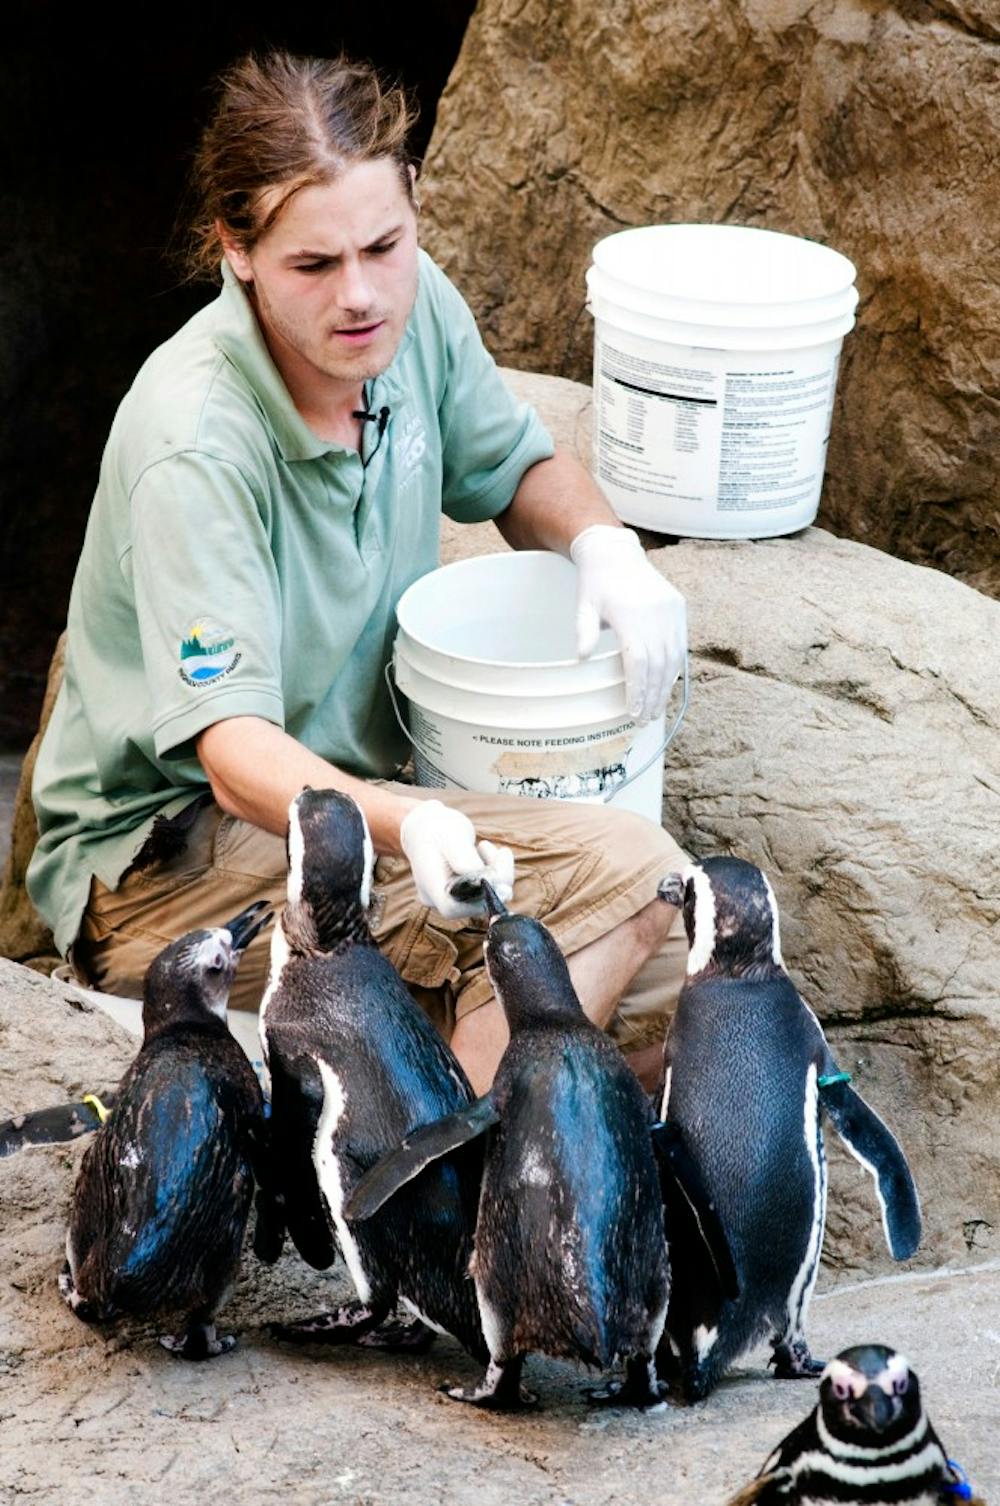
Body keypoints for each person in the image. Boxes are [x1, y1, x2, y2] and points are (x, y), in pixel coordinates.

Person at [27, 50, 690, 1093]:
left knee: (674, 979)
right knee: (633, 878)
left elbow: (512, 465)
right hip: (168, 861)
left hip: (356, 797)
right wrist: (412, 822)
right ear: (235, 250)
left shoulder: (411, 307)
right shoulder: (196, 437)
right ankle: (440, 1201)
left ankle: (409, 1083)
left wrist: (607, 550)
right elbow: (234, 753)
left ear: (415, 207)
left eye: (384, 245)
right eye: (313, 265)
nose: (361, 294)